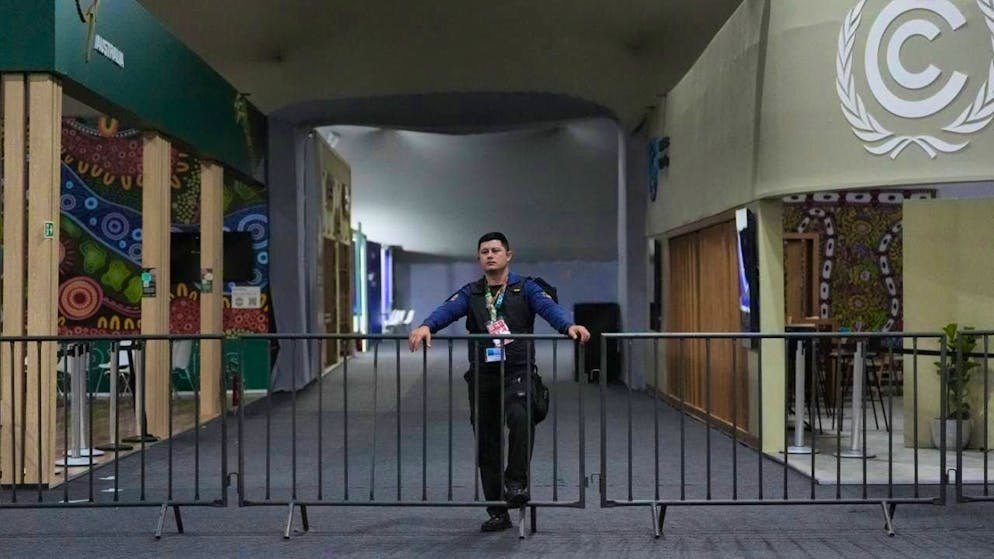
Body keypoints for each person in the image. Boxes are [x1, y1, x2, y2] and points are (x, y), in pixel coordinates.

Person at [408, 232, 590, 532]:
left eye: (495, 250)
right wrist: (427, 325)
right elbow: (448, 310)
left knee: (520, 416)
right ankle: (497, 511)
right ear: (479, 259)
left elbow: (549, 309)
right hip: (483, 374)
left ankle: (516, 483)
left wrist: (569, 325)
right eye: (484, 252)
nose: (490, 255)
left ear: (508, 255)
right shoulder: (473, 293)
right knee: (487, 444)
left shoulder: (526, 288)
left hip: (517, 370)